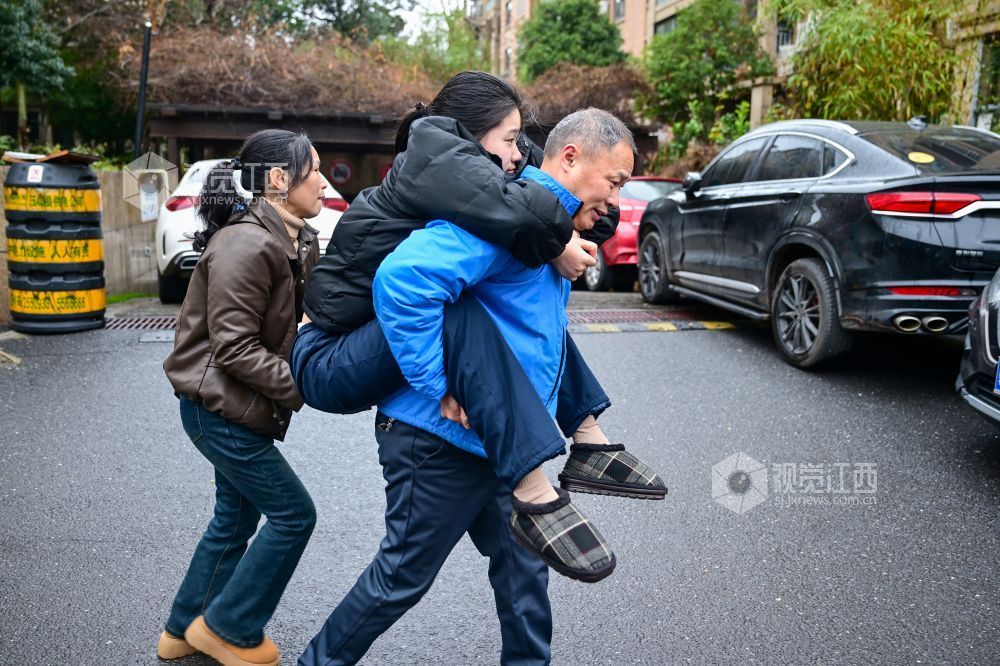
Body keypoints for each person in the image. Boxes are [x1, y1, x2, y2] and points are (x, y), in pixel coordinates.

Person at [298, 108, 641, 666]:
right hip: (437, 438)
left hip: (501, 441)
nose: (617, 199)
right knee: (400, 579)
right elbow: (403, 281)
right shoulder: (507, 217)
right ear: (571, 157)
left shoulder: (548, 224)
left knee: (525, 574)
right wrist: (436, 385)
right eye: (615, 181)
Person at [158, 129, 323, 666]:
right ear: (279, 179)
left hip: (238, 405)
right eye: (314, 169)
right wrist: (303, 386)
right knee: (294, 515)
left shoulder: (294, 237)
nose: (323, 181)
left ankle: (183, 631)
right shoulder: (247, 243)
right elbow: (233, 348)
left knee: (233, 519)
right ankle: (229, 628)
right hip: (218, 408)